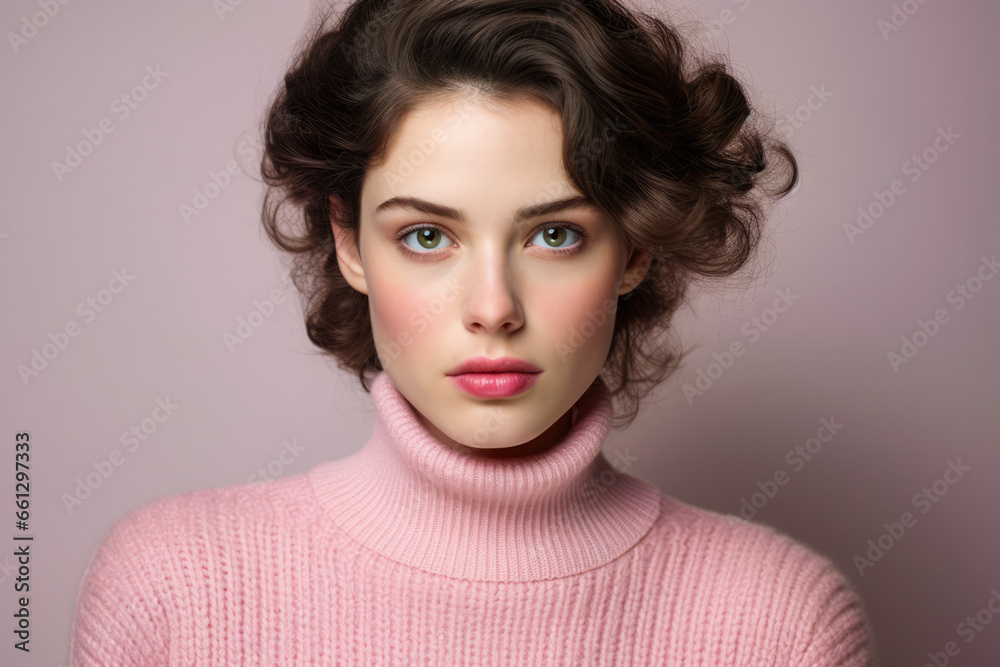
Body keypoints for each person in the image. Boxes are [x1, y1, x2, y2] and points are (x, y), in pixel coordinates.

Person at [70, 0, 880, 664]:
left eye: (554, 235)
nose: (493, 307)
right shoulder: (171, 589)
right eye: (427, 236)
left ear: (633, 249)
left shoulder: (778, 625)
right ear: (350, 243)